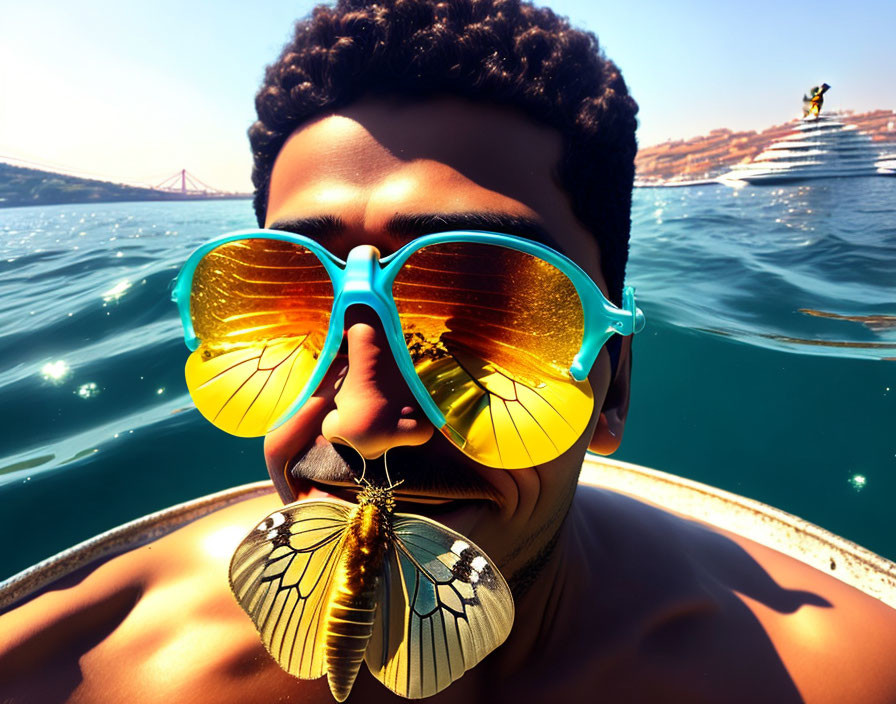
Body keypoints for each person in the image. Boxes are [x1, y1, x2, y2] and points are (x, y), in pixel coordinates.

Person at [2, 2, 896, 702]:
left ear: (611, 384)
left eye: (483, 309)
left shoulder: (847, 680)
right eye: (289, 302)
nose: (360, 422)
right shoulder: (61, 670)